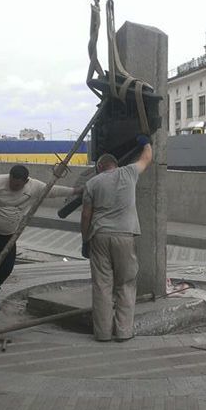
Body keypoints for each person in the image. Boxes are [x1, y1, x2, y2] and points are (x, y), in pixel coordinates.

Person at [0, 165, 81, 318]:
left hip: (8, 235)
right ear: (9, 177)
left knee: (6, 269)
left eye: (17, 185)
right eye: (11, 183)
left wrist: (75, 191)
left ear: (25, 181)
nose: (13, 186)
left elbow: (53, 191)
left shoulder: (34, 186)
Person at [80, 135, 153, 342]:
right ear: (115, 165)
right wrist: (145, 142)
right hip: (124, 235)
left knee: (102, 285)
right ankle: (123, 332)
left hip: (99, 236)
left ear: (99, 167)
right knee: (126, 284)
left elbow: (86, 215)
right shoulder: (128, 172)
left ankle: (102, 333)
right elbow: (147, 158)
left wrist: (85, 241)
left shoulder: (92, 183)